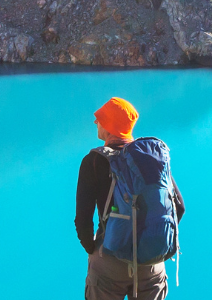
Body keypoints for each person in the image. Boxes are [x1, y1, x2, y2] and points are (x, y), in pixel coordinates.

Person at [75, 97, 185, 300]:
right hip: (151, 263)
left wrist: (93, 249)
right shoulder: (150, 159)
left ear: (109, 126)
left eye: (100, 119)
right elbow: (179, 207)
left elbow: (83, 220)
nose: (96, 122)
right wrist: (151, 239)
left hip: (110, 260)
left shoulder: (94, 161)